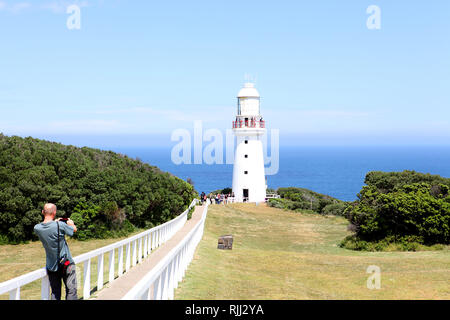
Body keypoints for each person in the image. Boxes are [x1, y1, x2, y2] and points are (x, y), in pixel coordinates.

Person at [34, 203, 78, 300]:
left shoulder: (37, 228)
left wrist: (55, 222)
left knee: (55, 292)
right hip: (66, 263)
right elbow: (74, 230)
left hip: (51, 265)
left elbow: (48, 226)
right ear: (54, 213)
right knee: (71, 290)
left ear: (42, 212)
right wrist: (71, 224)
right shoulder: (60, 225)